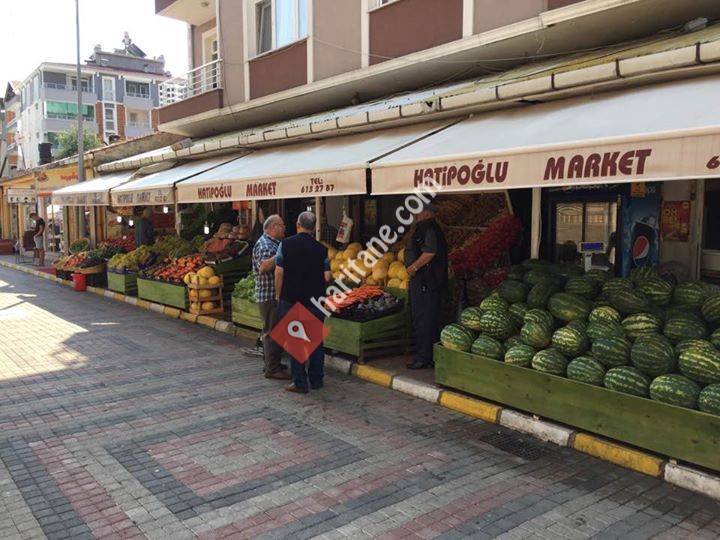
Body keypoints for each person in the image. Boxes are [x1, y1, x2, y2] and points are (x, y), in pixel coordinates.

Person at [274, 211, 331, 394]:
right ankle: (317, 380)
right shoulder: (322, 249)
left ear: (298, 225)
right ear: (314, 228)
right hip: (315, 300)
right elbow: (327, 276)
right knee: (316, 341)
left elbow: (279, 271)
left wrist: (278, 295)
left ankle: (299, 382)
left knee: (296, 341)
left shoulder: (285, 244)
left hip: (291, 298)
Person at [404, 202, 448, 369]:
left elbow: (430, 252)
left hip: (426, 282)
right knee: (423, 318)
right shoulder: (427, 227)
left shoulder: (428, 228)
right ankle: (426, 356)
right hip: (426, 282)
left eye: (419, 211)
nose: (416, 214)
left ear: (428, 213)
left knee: (424, 319)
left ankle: (424, 358)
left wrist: (414, 267)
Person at [252, 214, 290, 380]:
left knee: (274, 331)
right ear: (274, 227)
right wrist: (281, 254)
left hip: (271, 295)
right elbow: (263, 266)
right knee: (272, 332)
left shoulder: (273, 243)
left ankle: (272, 363)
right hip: (269, 295)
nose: (284, 228)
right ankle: (272, 369)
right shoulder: (266, 244)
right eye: (282, 225)